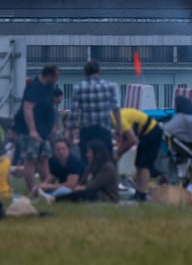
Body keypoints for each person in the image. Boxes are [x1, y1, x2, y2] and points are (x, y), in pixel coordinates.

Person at [13, 63, 60, 193]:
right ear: (49, 75)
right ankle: (31, 189)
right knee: (30, 159)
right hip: (29, 131)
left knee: (44, 158)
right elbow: (28, 108)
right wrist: (32, 130)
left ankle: (47, 187)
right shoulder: (34, 87)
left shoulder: (49, 87)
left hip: (44, 130)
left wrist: (53, 126)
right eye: (56, 76)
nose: (57, 79)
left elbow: (51, 108)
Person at [69, 60, 121, 168]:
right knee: (106, 160)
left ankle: (87, 182)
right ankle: (108, 182)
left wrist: (71, 130)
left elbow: (74, 112)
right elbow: (116, 108)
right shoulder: (110, 86)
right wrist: (118, 128)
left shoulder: (78, 87)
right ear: (99, 72)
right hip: (104, 129)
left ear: (85, 73)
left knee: (86, 160)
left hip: (86, 130)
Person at [111, 107, 163, 201]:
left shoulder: (117, 121)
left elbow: (132, 140)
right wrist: (119, 153)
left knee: (143, 164)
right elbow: (126, 138)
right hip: (145, 133)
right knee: (139, 164)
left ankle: (141, 194)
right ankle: (139, 192)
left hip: (151, 131)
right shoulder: (116, 118)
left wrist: (118, 153)